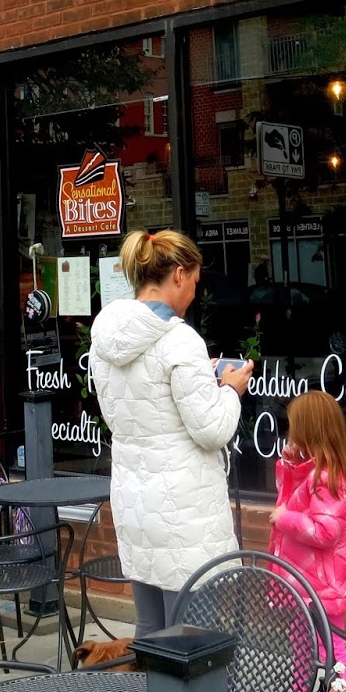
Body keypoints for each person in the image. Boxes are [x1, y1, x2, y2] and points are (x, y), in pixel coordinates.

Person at [89, 229, 254, 636]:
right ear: (178, 275)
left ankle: (147, 684)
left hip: (135, 504)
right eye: (195, 281)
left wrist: (201, 377)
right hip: (184, 513)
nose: (195, 294)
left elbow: (130, 411)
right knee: (192, 636)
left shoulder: (105, 338)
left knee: (149, 626)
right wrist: (231, 389)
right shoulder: (181, 341)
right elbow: (212, 429)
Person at [270, 390, 346, 671]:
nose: (290, 433)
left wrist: (285, 519)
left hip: (323, 585)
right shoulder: (316, 471)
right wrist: (289, 465)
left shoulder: (325, 477)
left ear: (307, 431)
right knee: (302, 648)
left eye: (294, 427)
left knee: (331, 651)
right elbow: (289, 497)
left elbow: (326, 532)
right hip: (308, 581)